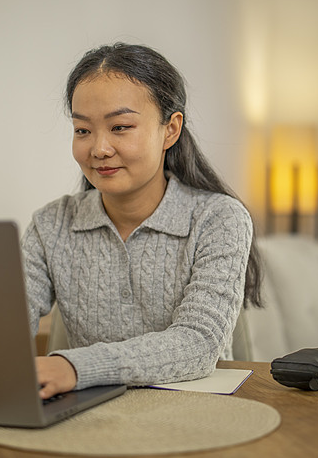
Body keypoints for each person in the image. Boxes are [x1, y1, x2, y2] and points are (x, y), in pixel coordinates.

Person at [23, 43, 262, 400]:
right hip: (91, 419)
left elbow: (199, 343)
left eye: (120, 127)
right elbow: (3, 332)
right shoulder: (51, 225)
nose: (99, 149)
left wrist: (77, 367)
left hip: (198, 415)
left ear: (171, 129)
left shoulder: (219, 219)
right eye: (83, 130)